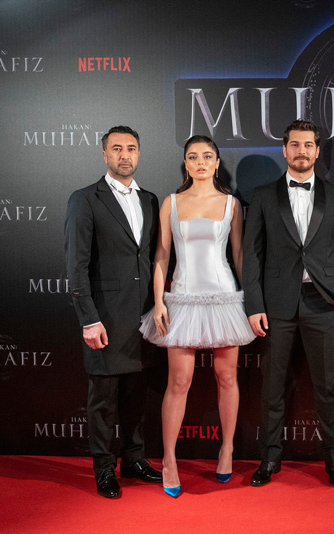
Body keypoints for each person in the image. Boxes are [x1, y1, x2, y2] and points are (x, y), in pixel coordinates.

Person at [243, 120, 334, 487]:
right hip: (275, 305)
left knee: (328, 387)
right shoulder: (264, 195)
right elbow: (252, 255)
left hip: (324, 303)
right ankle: (268, 460)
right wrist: (254, 304)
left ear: (318, 151)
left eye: (308, 145)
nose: (302, 151)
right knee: (272, 386)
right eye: (295, 144)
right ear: (284, 149)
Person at [138, 135, 256, 497]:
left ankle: (227, 450)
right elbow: (161, 255)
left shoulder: (232, 204)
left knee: (226, 376)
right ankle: (169, 460)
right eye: (193, 156)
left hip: (224, 298)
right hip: (182, 298)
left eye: (207, 156)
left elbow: (239, 254)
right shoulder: (171, 203)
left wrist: (251, 302)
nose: (200, 162)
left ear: (217, 162)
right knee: (179, 381)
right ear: (186, 164)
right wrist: (159, 300)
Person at [64, 125, 162, 499]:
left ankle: (134, 459)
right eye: (117, 148)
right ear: (104, 154)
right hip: (104, 317)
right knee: (104, 401)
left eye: (131, 148)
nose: (125, 155)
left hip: (143, 317)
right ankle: (104, 469)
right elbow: (76, 265)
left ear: (139, 154)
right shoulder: (85, 199)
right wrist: (89, 319)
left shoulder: (150, 200)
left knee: (136, 396)